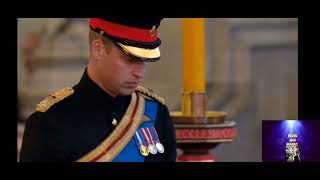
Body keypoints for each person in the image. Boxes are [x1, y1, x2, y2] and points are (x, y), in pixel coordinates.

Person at [19, 18, 177, 162]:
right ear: (98, 49)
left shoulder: (156, 113)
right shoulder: (50, 124)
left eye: (145, 60)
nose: (139, 72)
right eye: (130, 59)